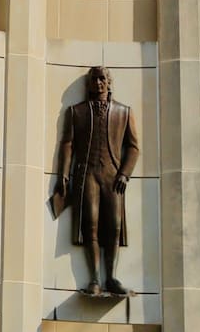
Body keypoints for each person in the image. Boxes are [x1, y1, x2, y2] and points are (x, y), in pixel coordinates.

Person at [53, 65, 139, 296]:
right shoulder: (76, 111)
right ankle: (94, 279)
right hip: (87, 172)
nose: (98, 83)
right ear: (88, 84)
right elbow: (67, 143)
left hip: (113, 176)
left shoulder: (124, 111)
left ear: (109, 82)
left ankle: (111, 277)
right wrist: (64, 173)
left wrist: (125, 173)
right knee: (89, 224)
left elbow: (133, 146)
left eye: (102, 79)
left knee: (114, 226)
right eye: (94, 79)